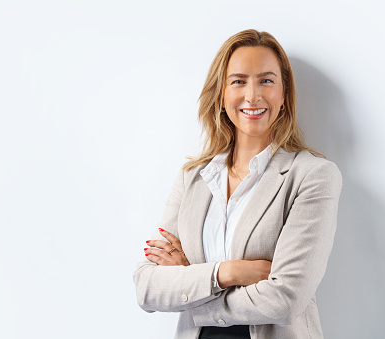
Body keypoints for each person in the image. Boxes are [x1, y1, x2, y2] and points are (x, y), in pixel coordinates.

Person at [133, 29, 342, 339]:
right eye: (239, 81)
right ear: (221, 94)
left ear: (284, 96)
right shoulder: (192, 178)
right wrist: (229, 272)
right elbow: (147, 287)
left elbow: (285, 299)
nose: (252, 95)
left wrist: (191, 288)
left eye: (267, 81)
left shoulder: (313, 176)